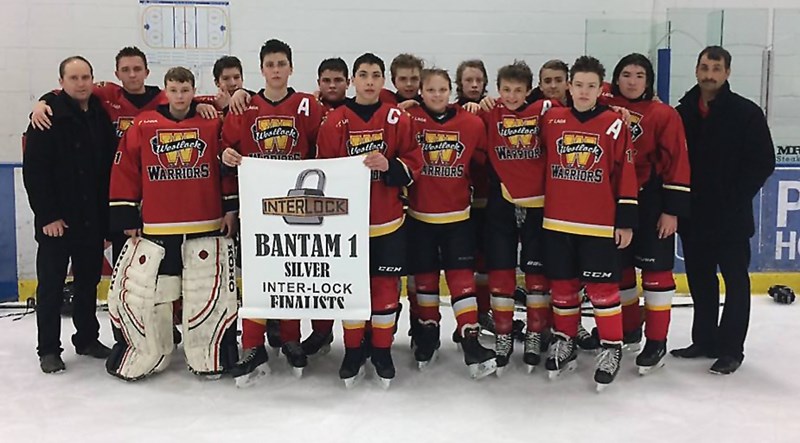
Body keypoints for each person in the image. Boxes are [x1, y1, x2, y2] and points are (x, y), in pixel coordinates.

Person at [105, 67, 239, 381]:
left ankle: (211, 354)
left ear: (194, 90)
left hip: (205, 222)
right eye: (174, 90)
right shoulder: (145, 124)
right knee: (154, 295)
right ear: (166, 90)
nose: (180, 96)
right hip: (159, 226)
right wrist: (127, 215)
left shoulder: (211, 120)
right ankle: (151, 352)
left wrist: (230, 209)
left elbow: (227, 167)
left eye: (186, 90)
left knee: (207, 292)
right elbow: (126, 169)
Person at [220, 39, 326, 385]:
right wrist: (227, 157)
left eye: (282, 64)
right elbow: (225, 147)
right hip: (257, 207)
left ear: (291, 68)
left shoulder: (308, 106)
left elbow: (325, 151)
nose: (277, 70)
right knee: (256, 277)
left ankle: (292, 337)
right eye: (270, 65)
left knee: (292, 274)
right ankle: (252, 345)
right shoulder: (245, 107)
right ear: (262, 70)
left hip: (298, 206)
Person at [317, 52, 422, 388]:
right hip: (347, 225)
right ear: (353, 81)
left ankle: (381, 350)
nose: (370, 81)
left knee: (384, 290)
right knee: (350, 289)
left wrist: (389, 167)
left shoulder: (396, 118)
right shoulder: (335, 121)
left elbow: (413, 163)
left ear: (382, 81)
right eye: (363, 75)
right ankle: (352, 349)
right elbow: (324, 172)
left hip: (387, 221)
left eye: (376, 75)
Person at [671, 46, 775, 375]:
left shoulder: (746, 113)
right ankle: (704, 340)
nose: (710, 74)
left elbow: (763, 162)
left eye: (716, 68)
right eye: (704, 67)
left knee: (735, 282)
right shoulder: (683, 112)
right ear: (696, 70)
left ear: (727, 73)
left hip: (730, 217)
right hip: (694, 216)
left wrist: (735, 197)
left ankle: (731, 349)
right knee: (701, 281)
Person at [538, 55, 639, 391]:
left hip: (598, 224)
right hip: (557, 220)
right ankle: (564, 338)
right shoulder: (551, 118)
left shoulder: (614, 124)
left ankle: (611, 347)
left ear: (601, 88)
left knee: (602, 290)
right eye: (578, 84)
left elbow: (625, 173)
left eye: (591, 86)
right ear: (569, 85)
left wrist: (625, 222)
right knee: (563, 288)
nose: (583, 91)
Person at [22, 56, 115, 373]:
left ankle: (87, 338)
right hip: (56, 224)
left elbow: (104, 173)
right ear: (61, 82)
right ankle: (48, 349)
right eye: (73, 78)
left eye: (85, 76)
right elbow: (34, 172)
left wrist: (105, 222)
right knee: (50, 286)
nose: (81, 83)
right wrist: (47, 216)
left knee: (88, 283)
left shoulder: (100, 116)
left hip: (91, 219)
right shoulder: (46, 117)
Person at [405, 68, 496, 379]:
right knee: (426, 280)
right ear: (421, 91)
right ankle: (428, 333)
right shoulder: (409, 119)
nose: (437, 95)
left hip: (458, 217)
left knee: (461, 279)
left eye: (442, 89)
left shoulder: (471, 123)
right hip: (419, 218)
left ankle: (470, 336)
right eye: (431, 90)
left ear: (450, 91)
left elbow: (485, 163)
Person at [606, 53, 691, 374]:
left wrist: (672, 210)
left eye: (639, 75)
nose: (631, 81)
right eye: (625, 74)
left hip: (653, 200)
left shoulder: (663, 114)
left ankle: (657, 340)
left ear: (649, 81)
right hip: (614, 202)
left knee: (656, 276)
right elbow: (582, 84)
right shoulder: (605, 107)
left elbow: (677, 163)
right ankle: (629, 329)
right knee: (621, 272)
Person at [480, 60, 559, 375]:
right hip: (502, 200)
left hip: (540, 203)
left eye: (518, 90)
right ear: (498, 91)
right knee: (500, 270)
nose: (512, 96)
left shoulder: (545, 111)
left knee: (536, 272)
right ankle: (502, 335)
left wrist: (617, 110)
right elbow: (457, 111)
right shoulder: (490, 111)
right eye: (506, 90)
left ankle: (535, 334)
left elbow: (591, 108)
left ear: (529, 90)